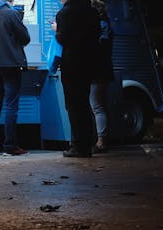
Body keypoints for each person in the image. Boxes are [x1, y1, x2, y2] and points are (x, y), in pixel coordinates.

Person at [0, 0, 30, 156]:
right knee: (11, 106)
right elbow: (26, 38)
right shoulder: (12, 14)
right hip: (11, 65)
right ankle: (10, 146)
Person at [54, 0, 100, 157]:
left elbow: (63, 38)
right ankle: (88, 145)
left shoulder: (64, 13)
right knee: (84, 103)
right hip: (89, 63)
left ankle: (78, 146)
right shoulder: (92, 11)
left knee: (73, 105)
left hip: (72, 63)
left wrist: (56, 30)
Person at [89, 0, 114, 153]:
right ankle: (102, 138)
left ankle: (101, 141)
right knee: (99, 105)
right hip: (103, 69)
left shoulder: (101, 26)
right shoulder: (106, 25)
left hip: (97, 70)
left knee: (97, 106)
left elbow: (98, 47)